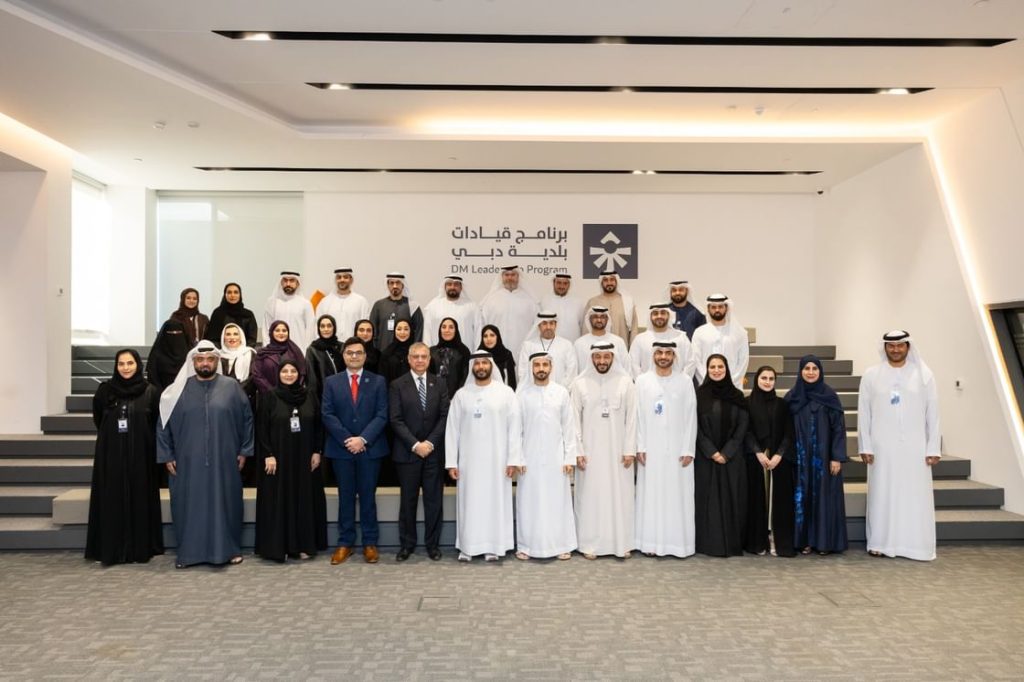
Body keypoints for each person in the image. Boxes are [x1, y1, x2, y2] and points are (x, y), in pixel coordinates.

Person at [156, 341, 254, 568]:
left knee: (226, 503)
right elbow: (162, 424)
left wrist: (244, 451)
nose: (205, 363)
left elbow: (247, 419)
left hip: (225, 459)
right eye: (200, 360)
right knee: (189, 506)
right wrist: (167, 455)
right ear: (193, 362)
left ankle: (229, 550)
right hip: (187, 462)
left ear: (217, 361)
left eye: (210, 359)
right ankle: (188, 554)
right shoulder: (176, 391)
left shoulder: (231, 387)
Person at [859, 330, 941, 561]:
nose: (895, 350)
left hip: (915, 447)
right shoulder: (871, 375)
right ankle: (880, 542)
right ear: (885, 347)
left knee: (914, 495)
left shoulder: (924, 375)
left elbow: (933, 413)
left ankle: (915, 545)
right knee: (882, 493)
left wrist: (933, 447)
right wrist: (865, 445)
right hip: (882, 446)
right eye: (891, 346)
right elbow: (864, 412)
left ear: (908, 347)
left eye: (900, 345)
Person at [85, 349, 164, 566]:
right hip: (110, 456)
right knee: (111, 498)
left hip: (141, 457)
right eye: (121, 364)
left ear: (138, 365)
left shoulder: (151, 392)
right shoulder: (104, 391)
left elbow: (155, 423)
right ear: (116, 366)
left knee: (140, 498)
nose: (126, 368)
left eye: (130, 363)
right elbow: (99, 419)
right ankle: (112, 549)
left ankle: (139, 549)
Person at [445, 352, 523, 562]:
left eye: (484, 363)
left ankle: (494, 546)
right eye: (477, 363)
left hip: (498, 462)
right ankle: (468, 546)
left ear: (491, 366)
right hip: (469, 463)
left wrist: (513, 460)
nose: (481, 366)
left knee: (494, 502)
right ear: (472, 367)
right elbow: (452, 430)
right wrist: (451, 462)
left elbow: (515, 428)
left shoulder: (506, 393)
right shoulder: (462, 395)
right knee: (470, 502)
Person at [322, 337, 389, 565]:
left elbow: (382, 414)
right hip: (341, 450)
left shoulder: (378, 381)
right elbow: (327, 414)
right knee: (346, 497)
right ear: (343, 356)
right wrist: (347, 440)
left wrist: (362, 439)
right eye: (350, 352)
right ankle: (345, 543)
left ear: (365, 356)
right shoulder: (331, 382)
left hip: (370, 449)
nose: (354, 356)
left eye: (358, 353)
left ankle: (370, 543)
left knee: (368, 497)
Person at [254, 359, 328, 562]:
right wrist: (268, 454)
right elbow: (261, 428)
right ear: (278, 374)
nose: (288, 374)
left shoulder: (310, 396)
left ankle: (302, 545)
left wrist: (317, 451)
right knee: (280, 500)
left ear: (299, 374)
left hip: (305, 459)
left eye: (293, 371)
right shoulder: (269, 397)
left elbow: (319, 426)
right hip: (278, 460)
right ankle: (280, 547)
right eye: (284, 371)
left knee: (303, 499)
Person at [570, 342, 637, 559]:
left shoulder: (626, 383)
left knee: (620, 497)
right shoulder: (579, 384)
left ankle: (621, 543)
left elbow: (632, 418)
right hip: (589, 453)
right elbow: (574, 420)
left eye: (606, 357)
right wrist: (578, 451)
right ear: (591, 358)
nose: (602, 361)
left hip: (619, 454)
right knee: (590, 497)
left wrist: (630, 449)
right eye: (597, 357)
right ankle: (589, 544)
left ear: (613, 357)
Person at [635, 341, 698, 558]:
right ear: (653, 355)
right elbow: (637, 416)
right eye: (659, 353)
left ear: (674, 356)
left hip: (678, 451)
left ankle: (677, 545)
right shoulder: (642, 381)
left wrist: (688, 449)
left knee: (677, 496)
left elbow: (691, 416)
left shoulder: (685, 381)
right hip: (650, 450)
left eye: (668, 353)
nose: (663, 356)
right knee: (651, 496)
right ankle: (650, 543)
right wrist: (640, 445)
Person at [389, 342, 450, 561]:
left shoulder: (440, 383)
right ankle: (407, 545)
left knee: (434, 502)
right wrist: (416, 445)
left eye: (424, 356)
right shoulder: (397, 385)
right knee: (408, 502)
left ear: (429, 359)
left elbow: (445, 416)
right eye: (415, 356)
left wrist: (430, 443)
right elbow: (395, 419)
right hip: (408, 453)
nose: (420, 360)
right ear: (409, 359)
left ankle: (432, 545)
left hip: (433, 453)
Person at [515, 352, 578, 561]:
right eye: (537, 365)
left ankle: (562, 545)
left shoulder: (561, 393)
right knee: (529, 501)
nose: (541, 369)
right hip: (529, 459)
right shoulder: (522, 395)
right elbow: (516, 430)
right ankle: (526, 546)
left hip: (556, 458)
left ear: (551, 368)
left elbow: (569, 428)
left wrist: (569, 458)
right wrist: (518, 457)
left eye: (545, 365)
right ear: (531, 368)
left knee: (557, 501)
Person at [786, 355, 848, 555]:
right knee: (801, 497)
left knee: (823, 499)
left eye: (814, 368)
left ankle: (823, 543)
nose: (810, 372)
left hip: (824, 460)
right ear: (800, 371)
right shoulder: (792, 397)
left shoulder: (830, 396)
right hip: (800, 459)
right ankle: (803, 541)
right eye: (807, 368)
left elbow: (838, 428)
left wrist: (836, 456)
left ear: (820, 371)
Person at [694, 354, 749, 557]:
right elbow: (695, 427)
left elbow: (743, 426)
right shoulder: (699, 395)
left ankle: (731, 544)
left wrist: (726, 452)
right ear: (707, 370)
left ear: (727, 369)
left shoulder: (737, 395)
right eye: (712, 367)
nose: (716, 370)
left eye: (720, 367)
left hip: (731, 458)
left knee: (731, 499)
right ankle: (707, 544)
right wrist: (712, 452)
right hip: (706, 457)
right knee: (707, 501)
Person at [744, 366, 796, 557]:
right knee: (756, 501)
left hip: (778, 461)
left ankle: (776, 539)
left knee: (779, 502)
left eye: (771, 378)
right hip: (755, 459)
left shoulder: (782, 404)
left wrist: (778, 456)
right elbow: (746, 431)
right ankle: (758, 541)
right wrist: (758, 453)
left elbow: (789, 433)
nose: (767, 382)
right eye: (763, 378)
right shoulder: (747, 403)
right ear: (757, 379)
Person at [688, 294, 749, 389]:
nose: (717, 310)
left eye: (720, 307)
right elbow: (696, 360)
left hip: (733, 387)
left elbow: (743, 361)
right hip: (706, 387)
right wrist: (707, 380)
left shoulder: (739, 333)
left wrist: (731, 382)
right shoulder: (699, 332)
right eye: (713, 307)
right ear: (708, 309)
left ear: (726, 308)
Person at [480, 265, 538, 356]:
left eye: (513, 275)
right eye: (506, 275)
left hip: (523, 350)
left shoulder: (530, 301)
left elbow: (536, 327)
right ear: (502, 277)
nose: (510, 278)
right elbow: (483, 325)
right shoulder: (491, 300)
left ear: (518, 277)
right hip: (496, 350)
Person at [629, 303, 692, 378]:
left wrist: (682, 381)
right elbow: (633, 364)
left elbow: (690, 362)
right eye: (655, 313)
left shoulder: (681, 338)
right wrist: (643, 382)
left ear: (668, 315)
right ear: (650, 317)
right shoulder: (640, 339)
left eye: (663, 313)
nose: (659, 316)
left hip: (677, 384)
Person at [518, 312, 578, 387]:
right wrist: (533, 390)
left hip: (560, 391)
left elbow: (571, 372)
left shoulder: (566, 345)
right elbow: (523, 372)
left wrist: (560, 390)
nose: (548, 327)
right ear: (539, 325)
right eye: (544, 323)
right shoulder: (528, 345)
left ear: (555, 325)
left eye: (551, 323)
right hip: (534, 391)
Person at [422, 275, 481, 349]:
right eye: (449, 284)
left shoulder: (472, 307)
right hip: (438, 353)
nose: (452, 287)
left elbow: (478, 332)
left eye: (456, 284)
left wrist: (478, 353)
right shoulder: (433, 306)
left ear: (461, 287)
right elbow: (427, 333)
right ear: (444, 287)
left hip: (465, 353)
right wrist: (427, 352)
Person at [315, 268, 370, 345]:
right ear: (335, 280)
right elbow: (318, 327)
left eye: (345, 277)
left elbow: (365, 328)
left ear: (351, 280)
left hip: (354, 347)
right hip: (330, 347)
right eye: (339, 277)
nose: (342, 280)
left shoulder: (361, 302)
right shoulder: (325, 302)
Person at [368, 272, 423, 349]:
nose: (395, 286)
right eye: (392, 283)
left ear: (403, 285)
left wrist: (415, 350)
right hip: (382, 351)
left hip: (406, 352)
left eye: (398, 283)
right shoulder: (379, 305)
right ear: (388, 285)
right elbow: (373, 330)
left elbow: (419, 331)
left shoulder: (413, 305)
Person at [585, 270, 639, 345]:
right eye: (605, 280)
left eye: (612, 279)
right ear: (601, 282)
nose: (609, 283)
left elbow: (634, 329)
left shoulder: (627, 302)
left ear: (617, 281)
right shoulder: (593, 302)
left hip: (622, 348)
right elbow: (586, 328)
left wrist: (633, 348)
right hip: (598, 349)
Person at [263, 271, 315, 350]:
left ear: (297, 283)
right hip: (276, 351)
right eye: (285, 280)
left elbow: (310, 331)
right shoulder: (272, 303)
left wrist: (307, 352)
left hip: (299, 350)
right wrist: (268, 350)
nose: (288, 284)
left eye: (292, 280)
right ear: (281, 282)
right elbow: (266, 328)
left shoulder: (305, 304)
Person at [574, 306, 631, 377]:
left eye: (602, 317)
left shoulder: (618, 342)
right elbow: (575, 371)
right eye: (595, 317)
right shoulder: (579, 343)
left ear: (607, 319)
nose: (599, 320)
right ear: (589, 319)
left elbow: (626, 368)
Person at [252, 320, 307, 394]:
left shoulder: (295, 351)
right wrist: (272, 392)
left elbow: (302, 372)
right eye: (277, 330)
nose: (281, 333)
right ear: (271, 333)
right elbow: (257, 375)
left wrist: (294, 390)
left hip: (293, 395)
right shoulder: (262, 353)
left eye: (284, 331)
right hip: (269, 395)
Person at [205, 282, 258, 346]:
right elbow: (212, 338)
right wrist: (224, 350)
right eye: (229, 292)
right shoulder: (217, 313)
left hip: (244, 350)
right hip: (221, 351)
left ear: (240, 295)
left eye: (236, 292)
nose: (232, 295)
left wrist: (242, 350)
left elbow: (252, 339)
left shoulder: (248, 315)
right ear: (225, 295)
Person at [305, 314, 343, 402]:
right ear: (319, 329)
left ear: (334, 328)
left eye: (329, 326)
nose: (326, 329)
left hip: (343, 394)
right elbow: (311, 380)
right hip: (323, 396)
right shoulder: (313, 349)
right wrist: (315, 401)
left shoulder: (342, 347)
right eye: (322, 326)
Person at [429, 317, 471, 398]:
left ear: (456, 330)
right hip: (434, 397)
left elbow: (466, 376)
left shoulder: (463, 351)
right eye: (444, 327)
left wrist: (458, 396)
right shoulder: (431, 351)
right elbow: (428, 376)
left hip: (458, 397)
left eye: (451, 327)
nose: (447, 330)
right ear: (440, 330)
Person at [146, 320, 189, 391]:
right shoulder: (156, 356)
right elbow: (153, 380)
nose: (174, 336)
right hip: (161, 394)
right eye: (171, 333)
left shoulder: (190, 355)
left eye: (178, 333)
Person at [540, 273, 585, 341]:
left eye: (565, 283)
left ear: (569, 285)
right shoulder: (545, 301)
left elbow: (582, 325)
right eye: (559, 283)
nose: (561, 286)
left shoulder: (578, 302)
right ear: (553, 283)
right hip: (551, 343)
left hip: (572, 341)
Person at [217, 323, 256, 399]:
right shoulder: (217, 355)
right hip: (220, 397)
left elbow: (253, 377)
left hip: (244, 396)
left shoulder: (250, 353)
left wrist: (237, 391)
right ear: (223, 337)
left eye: (235, 334)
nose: (232, 337)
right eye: (228, 334)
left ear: (241, 337)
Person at [477, 324, 517, 389]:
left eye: (492, 335)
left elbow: (511, 381)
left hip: (501, 392)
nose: (489, 339)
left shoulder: (506, 354)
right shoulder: (478, 355)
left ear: (497, 337)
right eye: (485, 336)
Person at [379, 318, 414, 384]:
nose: (402, 332)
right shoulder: (387, 353)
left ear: (411, 331)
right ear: (394, 331)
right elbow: (383, 378)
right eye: (399, 329)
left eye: (406, 329)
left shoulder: (416, 351)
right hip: (392, 389)